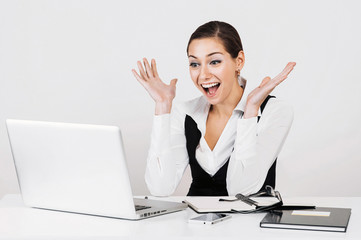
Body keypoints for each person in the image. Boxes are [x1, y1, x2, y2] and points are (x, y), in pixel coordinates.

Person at [132, 21, 296, 197]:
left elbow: (240, 190)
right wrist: (162, 107)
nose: (203, 75)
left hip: (249, 223)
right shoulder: (186, 113)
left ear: (239, 61)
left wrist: (250, 112)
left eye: (214, 62)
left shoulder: (274, 111)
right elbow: (160, 188)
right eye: (195, 64)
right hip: (194, 223)